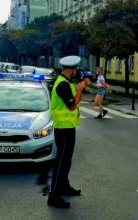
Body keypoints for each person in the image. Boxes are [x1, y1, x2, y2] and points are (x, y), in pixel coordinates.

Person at [47, 55, 91, 208]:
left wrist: (80, 88)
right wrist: (79, 89)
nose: (76, 71)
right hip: (63, 128)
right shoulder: (62, 85)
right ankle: (53, 195)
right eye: (75, 69)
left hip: (68, 127)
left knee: (67, 160)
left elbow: (74, 100)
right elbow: (72, 106)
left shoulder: (66, 82)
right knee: (61, 161)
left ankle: (64, 186)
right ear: (70, 69)